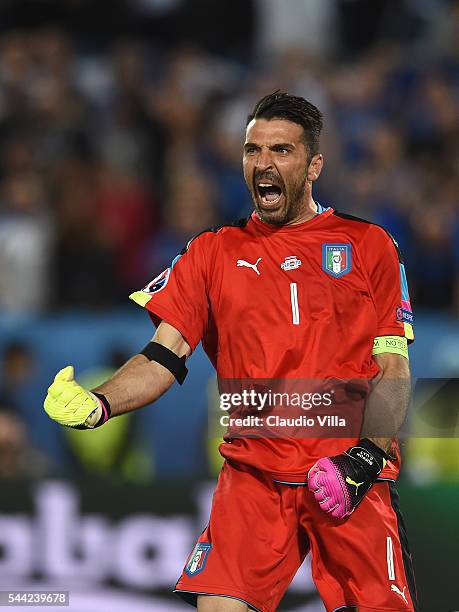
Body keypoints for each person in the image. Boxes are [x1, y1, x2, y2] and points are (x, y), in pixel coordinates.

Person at [44, 92, 417, 612]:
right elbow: (161, 357)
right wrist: (100, 402)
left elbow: (393, 370)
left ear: (314, 165)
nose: (263, 163)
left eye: (281, 151)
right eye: (252, 150)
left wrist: (366, 457)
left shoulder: (369, 244)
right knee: (218, 606)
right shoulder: (210, 253)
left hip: (345, 474)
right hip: (254, 478)